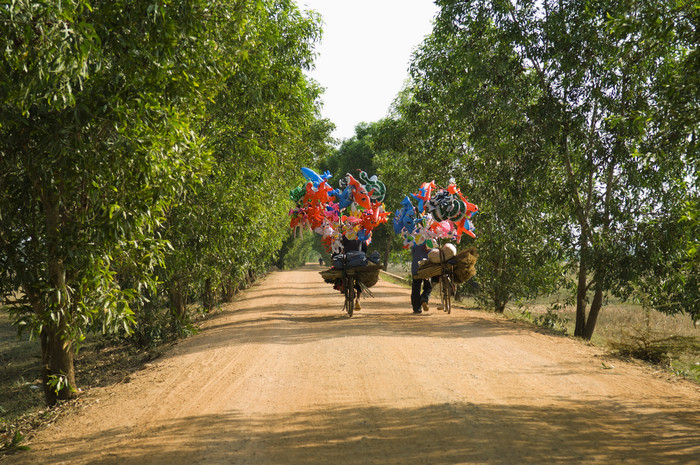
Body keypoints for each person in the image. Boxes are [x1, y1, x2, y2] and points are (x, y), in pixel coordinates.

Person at [341, 236, 366, 310]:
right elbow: (364, 248)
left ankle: (346, 287)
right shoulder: (360, 236)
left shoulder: (344, 237)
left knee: (345, 274)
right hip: (359, 259)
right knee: (359, 279)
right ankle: (358, 298)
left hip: (348, 260)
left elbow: (341, 248)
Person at [411, 243, 432, 314]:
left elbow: (413, 253)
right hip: (427, 270)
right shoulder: (432, 244)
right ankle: (424, 299)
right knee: (428, 287)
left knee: (416, 288)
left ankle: (417, 308)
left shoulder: (415, 244)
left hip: (416, 269)